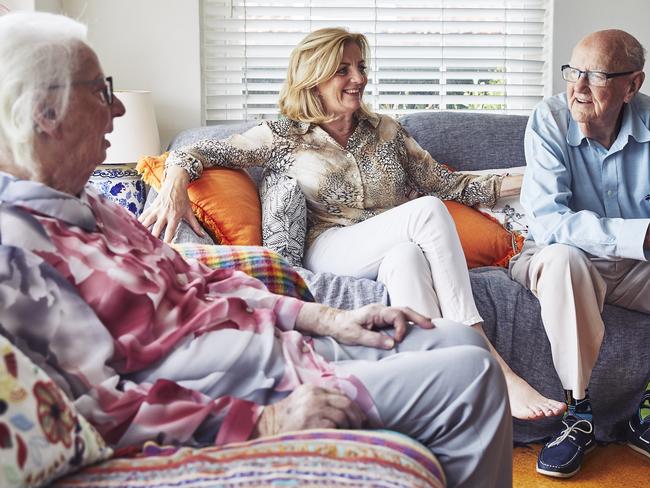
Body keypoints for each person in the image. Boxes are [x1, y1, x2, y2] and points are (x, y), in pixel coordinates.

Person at [0, 12, 512, 487]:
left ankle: (458, 368)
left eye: (361, 67)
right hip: (252, 384)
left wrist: (324, 318)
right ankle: (481, 363)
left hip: (284, 346)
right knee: (473, 375)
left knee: (455, 343)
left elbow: (201, 279)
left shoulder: (92, 203)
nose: (116, 106)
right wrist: (261, 421)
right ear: (47, 113)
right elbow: (95, 407)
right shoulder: (19, 252)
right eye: (100, 90)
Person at [142, 26, 564, 421]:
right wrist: (174, 185)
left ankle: (433, 397)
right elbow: (194, 152)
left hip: (386, 245)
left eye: (361, 66)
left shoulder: (386, 132)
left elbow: (451, 185)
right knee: (428, 210)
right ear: (314, 77)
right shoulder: (283, 135)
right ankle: (489, 361)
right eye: (343, 69)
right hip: (330, 245)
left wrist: (541, 176)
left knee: (407, 259)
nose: (358, 78)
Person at [509, 29, 650, 478]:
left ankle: (645, 410)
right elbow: (550, 222)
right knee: (565, 260)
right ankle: (578, 415)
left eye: (596, 75)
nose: (578, 87)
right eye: (574, 71)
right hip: (562, 259)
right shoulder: (549, 118)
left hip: (636, 268)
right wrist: (640, 236)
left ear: (633, 85)